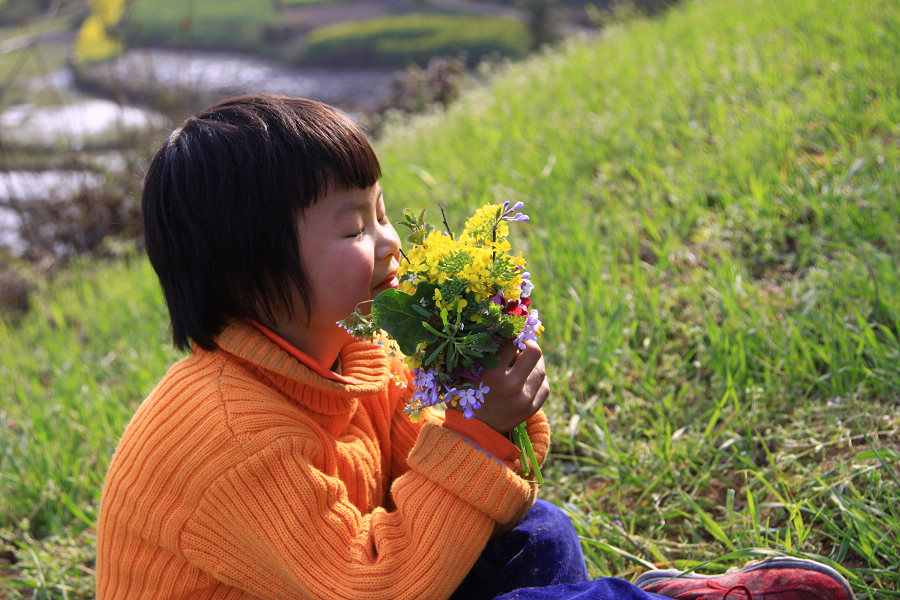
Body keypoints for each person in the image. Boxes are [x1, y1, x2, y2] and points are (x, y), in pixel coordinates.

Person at [95, 94, 854, 600]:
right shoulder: (233, 434)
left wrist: (488, 393)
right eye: (354, 227)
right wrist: (476, 431)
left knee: (538, 529)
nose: (390, 241)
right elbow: (377, 586)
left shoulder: (357, 356)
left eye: (382, 212)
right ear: (250, 270)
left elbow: (458, 480)